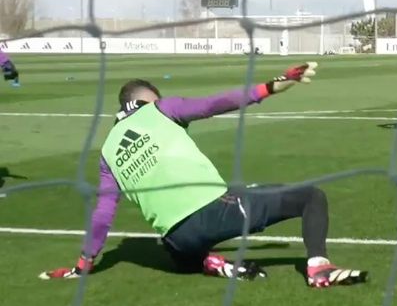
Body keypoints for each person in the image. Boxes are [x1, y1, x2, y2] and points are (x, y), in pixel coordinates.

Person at [40, 62, 369, 288]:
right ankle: (319, 269)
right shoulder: (161, 109)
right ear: (145, 100)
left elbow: (102, 215)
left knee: (176, 247)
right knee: (311, 197)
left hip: (178, 239)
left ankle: (211, 262)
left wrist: (82, 264)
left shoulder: (108, 152)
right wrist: (270, 86)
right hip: (215, 212)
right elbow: (215, 103)